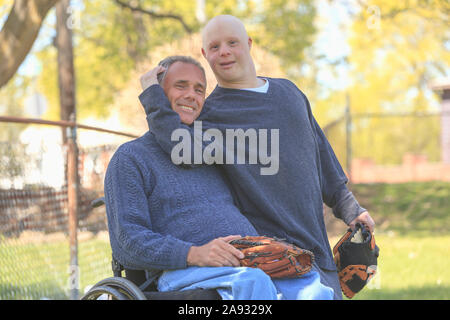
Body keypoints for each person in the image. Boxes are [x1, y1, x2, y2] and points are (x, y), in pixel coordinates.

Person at [139, 15, 375, 300]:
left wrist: (351, 210)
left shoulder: (290, 93)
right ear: (205, 55)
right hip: (272, 256)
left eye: (232, 43)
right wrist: (153, 93)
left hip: (317, 244)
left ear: (249, 44)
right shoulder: (211, 116)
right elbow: (177, 145)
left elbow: (323, 160)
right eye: (214, 47)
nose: (224, 51)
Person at [105, 55, 333, 300]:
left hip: (246, 260)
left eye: (199, 89)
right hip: (182, 271)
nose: (192, 95)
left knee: (313, 288)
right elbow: (127, 241)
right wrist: (195, 253)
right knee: (251, 283)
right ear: (158, 94)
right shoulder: (130, 158)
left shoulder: (211, 151)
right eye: (181, 86)